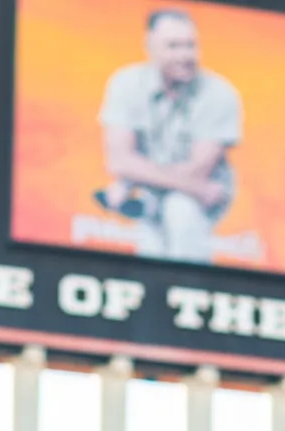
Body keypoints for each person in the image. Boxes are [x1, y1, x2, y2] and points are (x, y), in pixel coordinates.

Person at [96, 8, 241, 262]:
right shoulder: (125, 83)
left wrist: (131, 181)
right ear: (150, 46)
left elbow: (198, 170)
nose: (186, 55)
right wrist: (131, 181)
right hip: (173, 190)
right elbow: (118, 160)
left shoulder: (220, 94)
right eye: (174, 46)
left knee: (180, 210)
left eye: (191, 46)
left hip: (195, 200)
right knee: (150, 246)